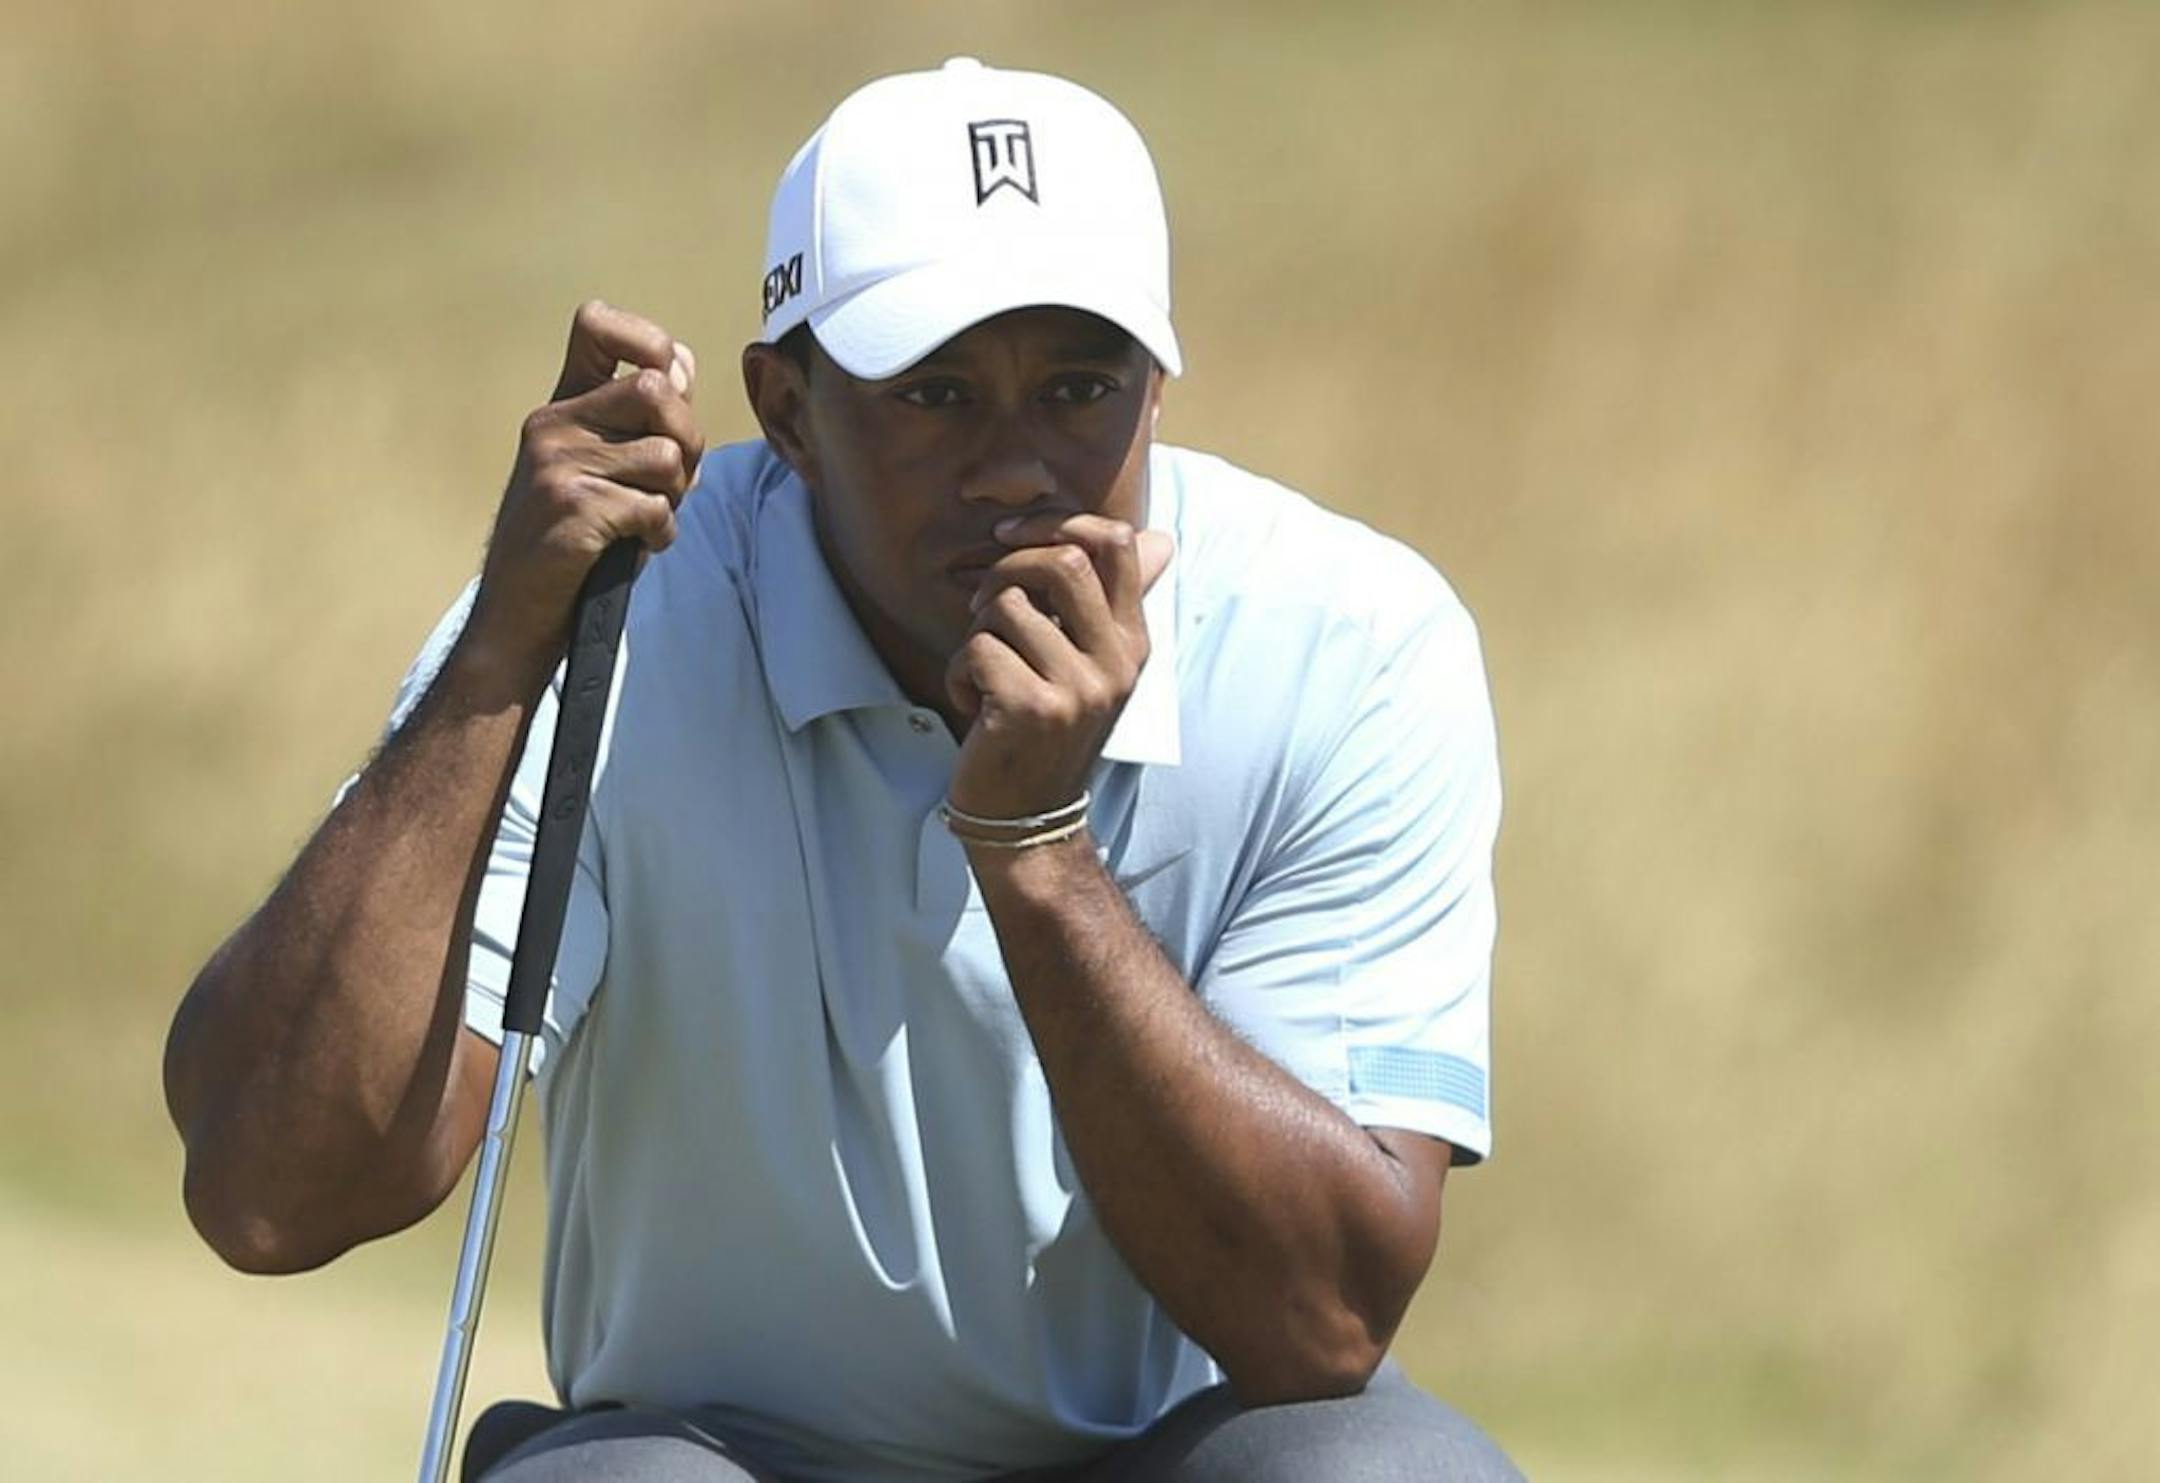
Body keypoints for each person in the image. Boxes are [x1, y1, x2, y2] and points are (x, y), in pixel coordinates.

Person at [162, 58, 1519, 1482]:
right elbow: (270, 1192)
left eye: (1080, 387)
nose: (1018, 469)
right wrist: (500, 655)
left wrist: (1038, 852)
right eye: (937, 393)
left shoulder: (1348, 643)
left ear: (1158, 387)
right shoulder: (616, 616)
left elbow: (1323, 1319)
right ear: (790, 410)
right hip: (714, 1455)